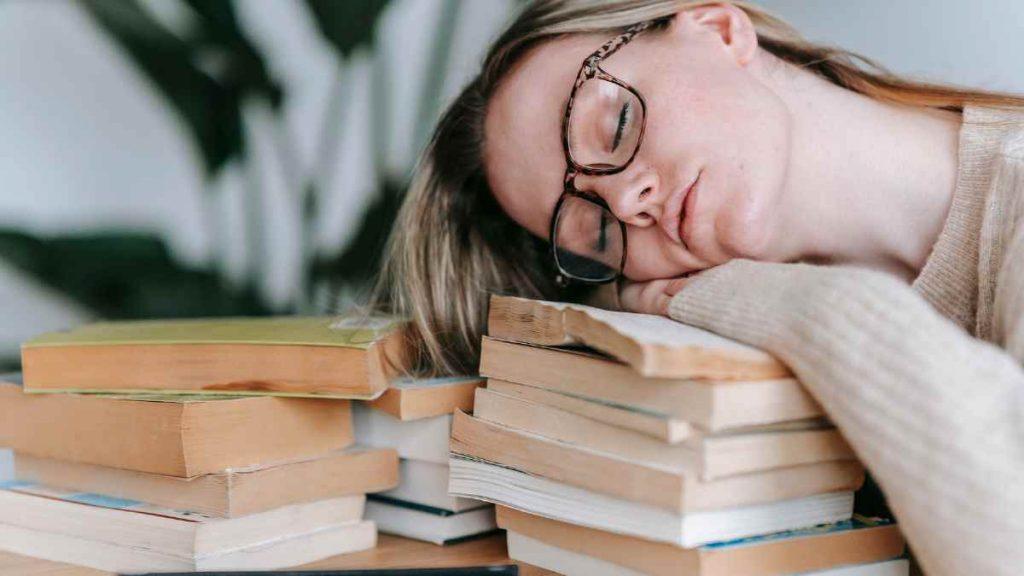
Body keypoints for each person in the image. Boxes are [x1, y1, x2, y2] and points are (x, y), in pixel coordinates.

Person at [369, 1, 1024, 574]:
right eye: (595, 234)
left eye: (616, 125)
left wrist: (812, 311)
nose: (628, 202)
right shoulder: (748, 375)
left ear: (717, 28)